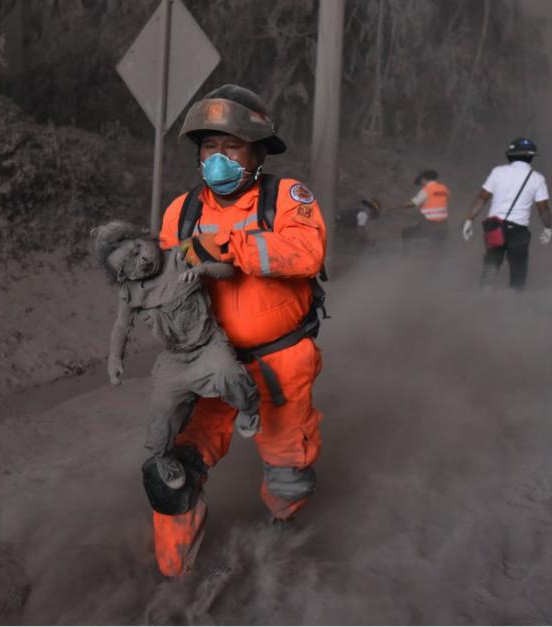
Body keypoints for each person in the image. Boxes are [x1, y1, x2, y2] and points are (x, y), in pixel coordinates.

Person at [150, 84, 327, 578]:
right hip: (208, 361)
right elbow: (168, 275)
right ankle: (174, 576)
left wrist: (228, 246)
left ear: (258, 151)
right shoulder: (181, 212)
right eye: (210, 147)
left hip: (280, 360)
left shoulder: (288, 198)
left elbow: (306, 253)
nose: (218, 158)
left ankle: (280, 546)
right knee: (173, 467)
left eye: (231, 147)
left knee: (288, 469)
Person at [90, 220, 261, 493]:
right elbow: (122, 325)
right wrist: (114, 359)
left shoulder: (182, 255)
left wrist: (205, 268)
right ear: (122, 277)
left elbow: (228, 272)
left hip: (208, 345)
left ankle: (249, 409)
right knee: (161, 408)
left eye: (136, 250)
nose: (140, 262)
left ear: (146, 238)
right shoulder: (131, 292)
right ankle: (163, 457)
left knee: (230, 373)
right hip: (175, 358)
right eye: (127, 266)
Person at [461, 137, 552, 291]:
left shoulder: (498, 172)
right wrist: (548, 227)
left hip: (494, 227)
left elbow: (483, 197)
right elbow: (543, 208)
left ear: (510, 154)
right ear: (531, 157)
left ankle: (482, 303)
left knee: (490, 267)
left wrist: (469, 220)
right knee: (518, 273)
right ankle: (513, 309)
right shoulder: (537, 178)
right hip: (518, 231)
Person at [391, 169, 450, 250]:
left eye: (421, 180)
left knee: (406, 233)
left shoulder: (427, 190)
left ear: (423, 179)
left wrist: (396, 206)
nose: (421, 183)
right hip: (443, 225)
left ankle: (406, 257)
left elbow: (412, 204)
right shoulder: (444, 189)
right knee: (436, 249)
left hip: (429, 225)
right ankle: (436, 259)